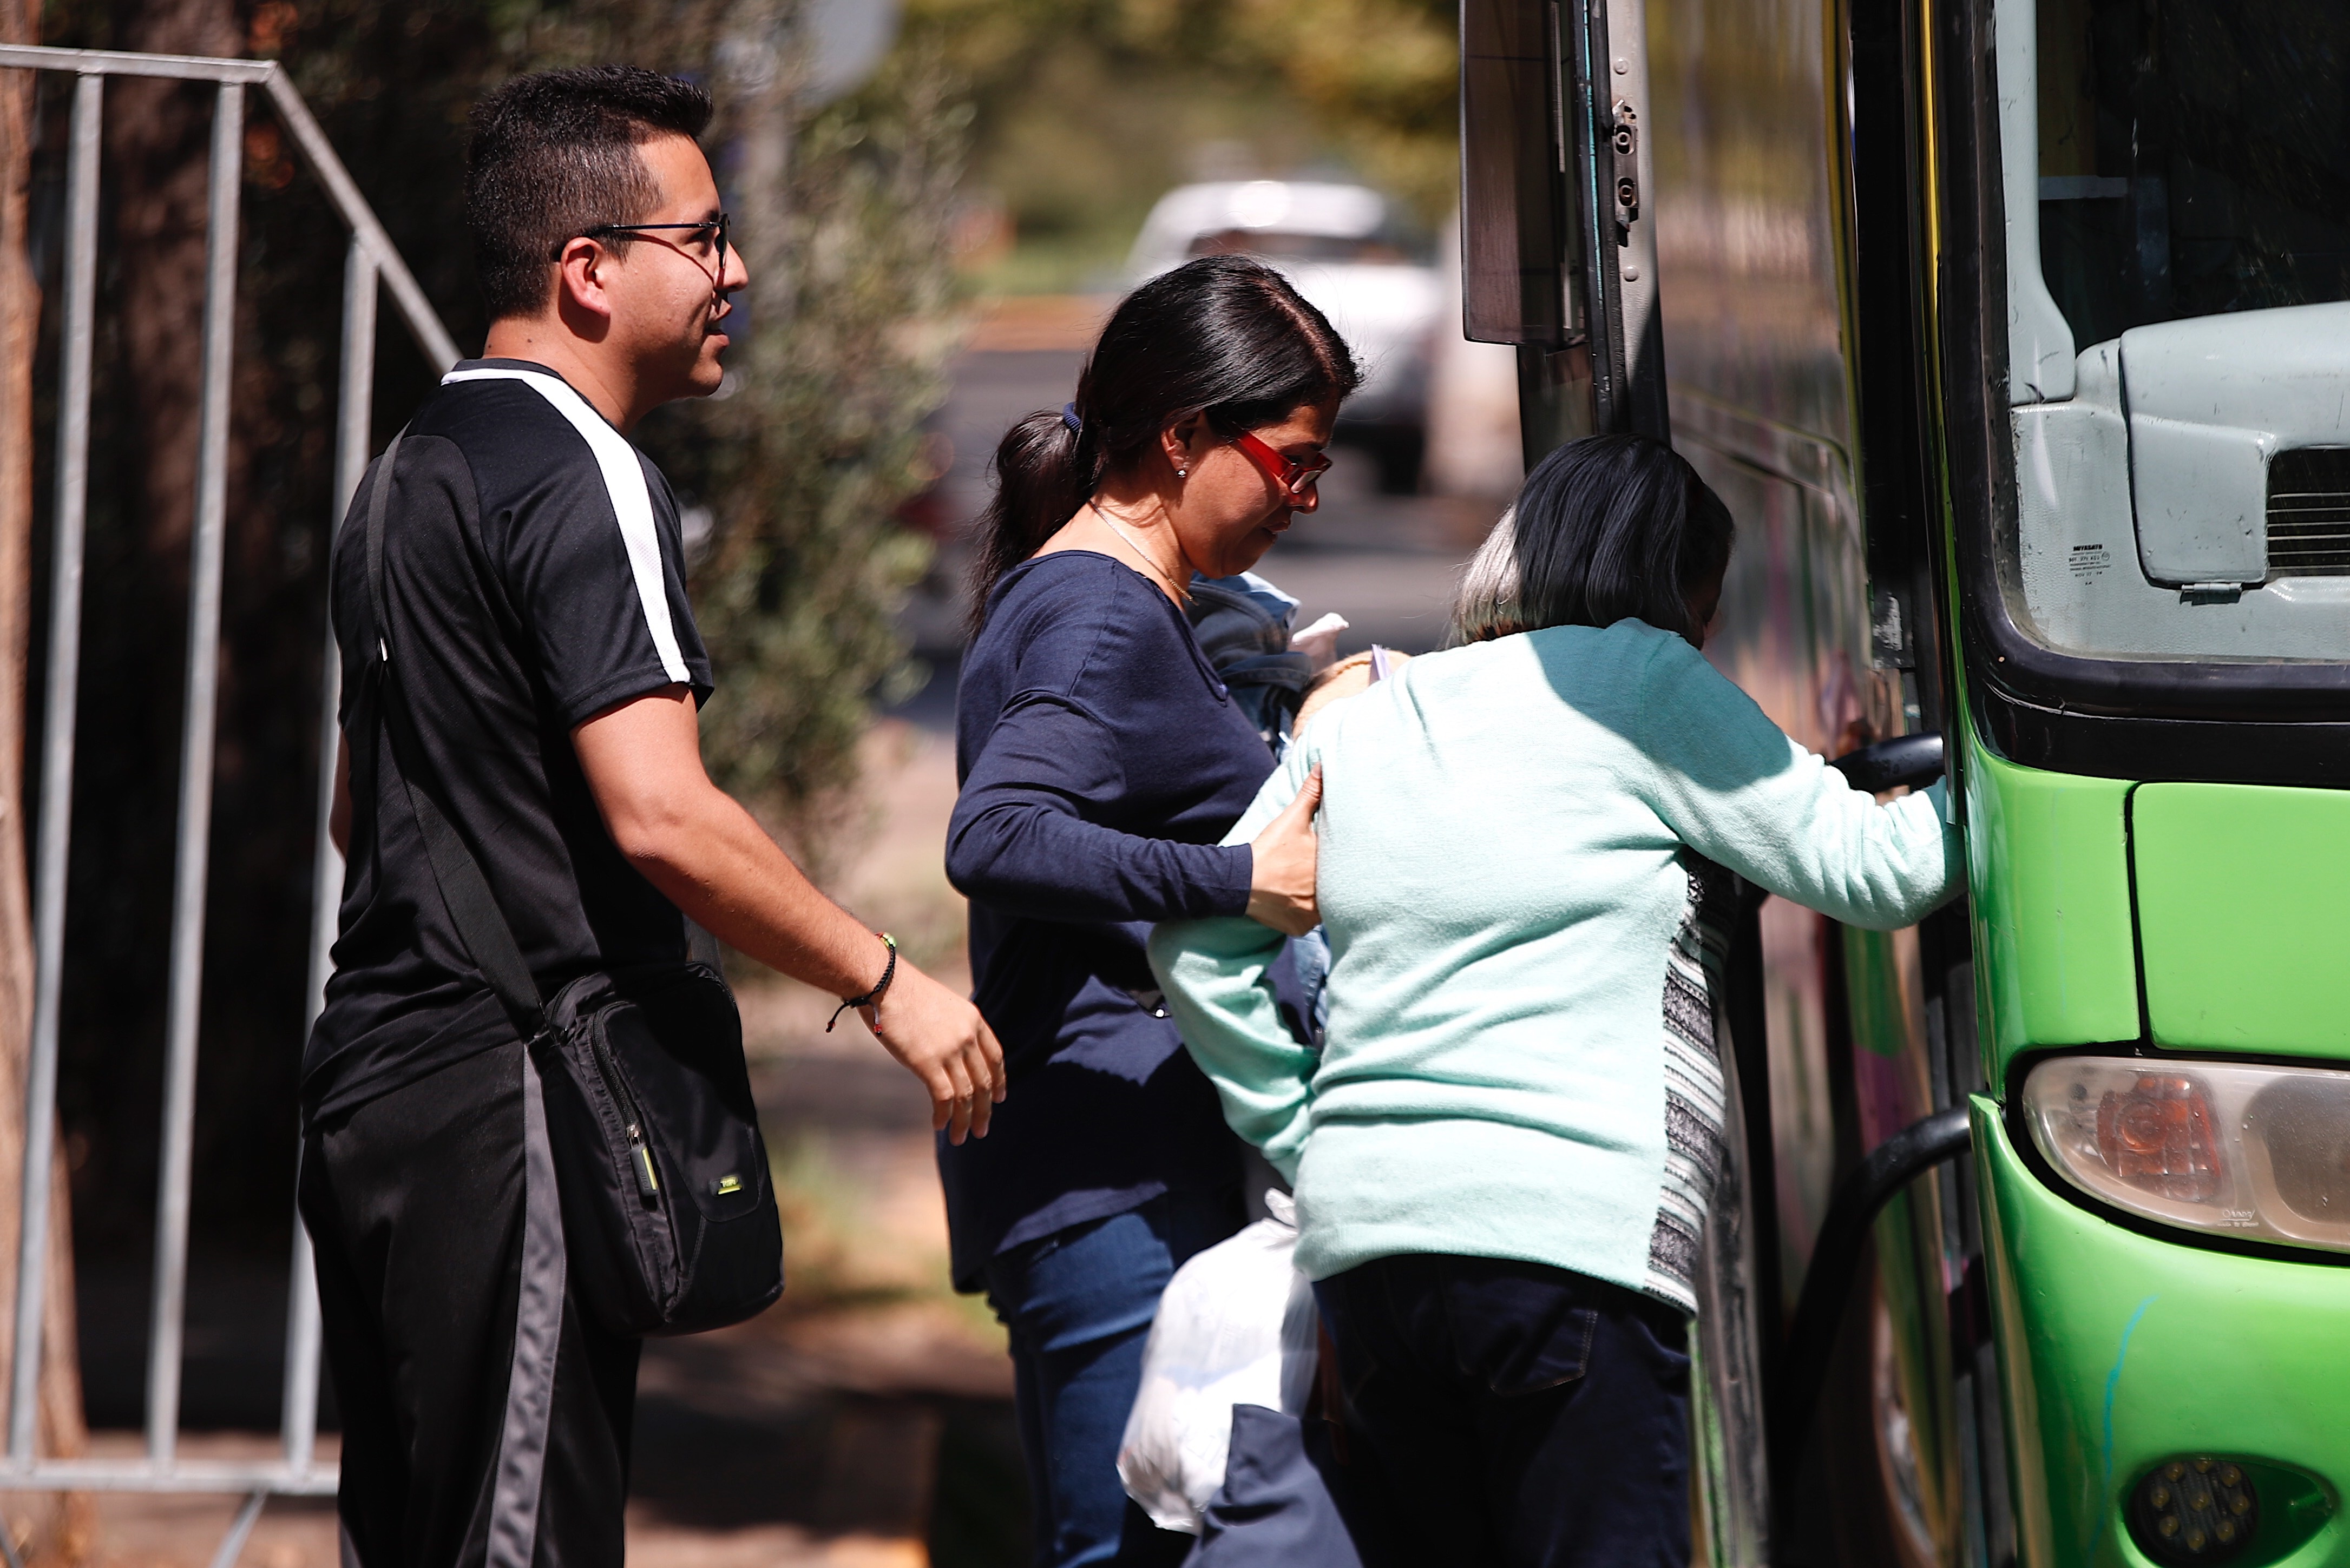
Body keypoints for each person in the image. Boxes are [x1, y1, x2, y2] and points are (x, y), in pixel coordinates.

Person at [301, 66, 1003, 1566]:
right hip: (510, 1107)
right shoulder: (584, 471)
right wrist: (887, 981)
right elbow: (664, 815)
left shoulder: (404, 470)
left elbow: (364, 811)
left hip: (370, 1090)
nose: (737, 271)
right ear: (589, 271)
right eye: (707, 235)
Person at [1148, 434, 1963, 1568]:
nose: (1704, 637)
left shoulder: (1373, 715)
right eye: (1704, 607)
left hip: (1368, 1254)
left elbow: (1196, 943)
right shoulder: (1641, 679)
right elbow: (1881, 873)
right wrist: (2002, 763)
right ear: (1671, 585)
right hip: (1563, 1246)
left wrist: (1305, 1131)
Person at [944, 253, 1355, 1567]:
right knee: (1121, 1552)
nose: (1304, 495)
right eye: (1291, 460)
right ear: (1183, 439)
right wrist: (1240, 883)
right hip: (1107, 1175)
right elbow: (997, 836)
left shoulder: (1121, 599)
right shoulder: (1096, 612)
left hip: (1118, 1162)